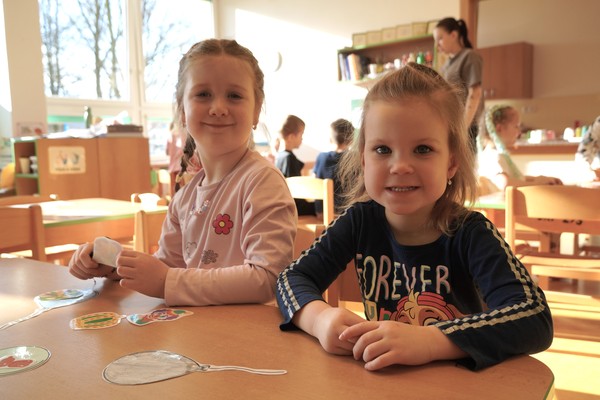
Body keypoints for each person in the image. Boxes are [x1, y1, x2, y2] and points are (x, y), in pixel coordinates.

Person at [276, 63, 552, 372]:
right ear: (364, 160)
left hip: (458, 383)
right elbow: (291, 278)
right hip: (381, 380)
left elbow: (535, 318)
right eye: (383, 149)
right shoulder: (358, 221)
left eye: (422, 149)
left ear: (451, 163)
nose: (400, 166)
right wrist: (319, 318)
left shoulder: (471, 232)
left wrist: (431, 341)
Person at [68, 39, 297, 306]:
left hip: (250, 329)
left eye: (234, 96)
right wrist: (113, 264)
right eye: (203, 94)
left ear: (256, 110)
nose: (218, 108)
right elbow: (168, 266)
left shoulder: (262, 182)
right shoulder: (184, 197)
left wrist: (167, 280)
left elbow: (267, 279)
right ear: (182, 110)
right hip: (195, 328)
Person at [477, 104, 562, 193]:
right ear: (499, 128)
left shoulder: (495, 154)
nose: (519, 131)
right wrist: (536, 183)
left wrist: (538, 179)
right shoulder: (493, 156)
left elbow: (516, 178)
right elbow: (505, 183)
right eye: (516, 126)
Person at [434, 17, 483, 151]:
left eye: (440, 39)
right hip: (452, 126)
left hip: (467, 127)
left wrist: (463, 128)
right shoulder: (446, 65)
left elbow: (475, 93)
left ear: (454, 35)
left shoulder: (469, 57)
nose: (437, 45)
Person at [275, 114, 315, 215]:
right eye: (301, 135)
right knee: (324, 205)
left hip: (285, 206)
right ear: (291, 137)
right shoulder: (289, 159)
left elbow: (304, 165)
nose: (302, 139)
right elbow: (297, 191)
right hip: (295, 208)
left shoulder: (281, 156)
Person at [312, 118, 354, 214]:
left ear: (330, 139)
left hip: (321, 213)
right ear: (351, 140)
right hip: (345, 214)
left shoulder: (321, 157)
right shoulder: (354, 159)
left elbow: (314, 180)